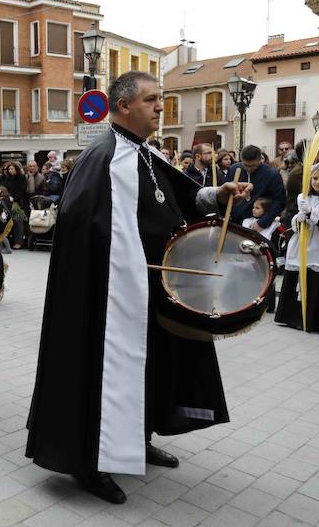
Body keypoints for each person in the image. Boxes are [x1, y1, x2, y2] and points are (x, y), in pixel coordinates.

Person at [25, 71, 250, 505]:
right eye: (151, 100)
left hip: (152, 293)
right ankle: (89, 463)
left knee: (151, 369)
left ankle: (137, 438)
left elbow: (176, 198)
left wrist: (217, 195)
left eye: (160, 100)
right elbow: (80, 229)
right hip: (108, 299)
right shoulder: (104, 156)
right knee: (103, 374)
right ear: (123, 106)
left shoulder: (145, 153)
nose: (159, 107)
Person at [274, 164, 319, 335]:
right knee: (299, 283)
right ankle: (297, 318)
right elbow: (289, 217)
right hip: (302, 246)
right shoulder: (302, 197)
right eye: (315, 178)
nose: (318, 182)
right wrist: (297, 219)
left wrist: (311, 212)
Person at [228, 145, 286, 230]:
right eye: (245, 165)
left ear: (260, 160)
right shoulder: (234, 169)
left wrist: (263, 222)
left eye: (252, 166)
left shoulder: (272, 175)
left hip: (257, 223)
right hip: (234, 221)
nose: (248, 169)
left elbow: (279, 201)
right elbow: (226, 194)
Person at [0, 161, 27, 249]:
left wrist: (14, 198)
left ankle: (18, 242)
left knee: (17, 220)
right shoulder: (4, 178)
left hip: (18, 202)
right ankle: (6, 242)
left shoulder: (21, 177)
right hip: (6, 201)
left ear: (16, 169)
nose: (9, 171)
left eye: (11, 169)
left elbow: (22, 190)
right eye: (8, 169)